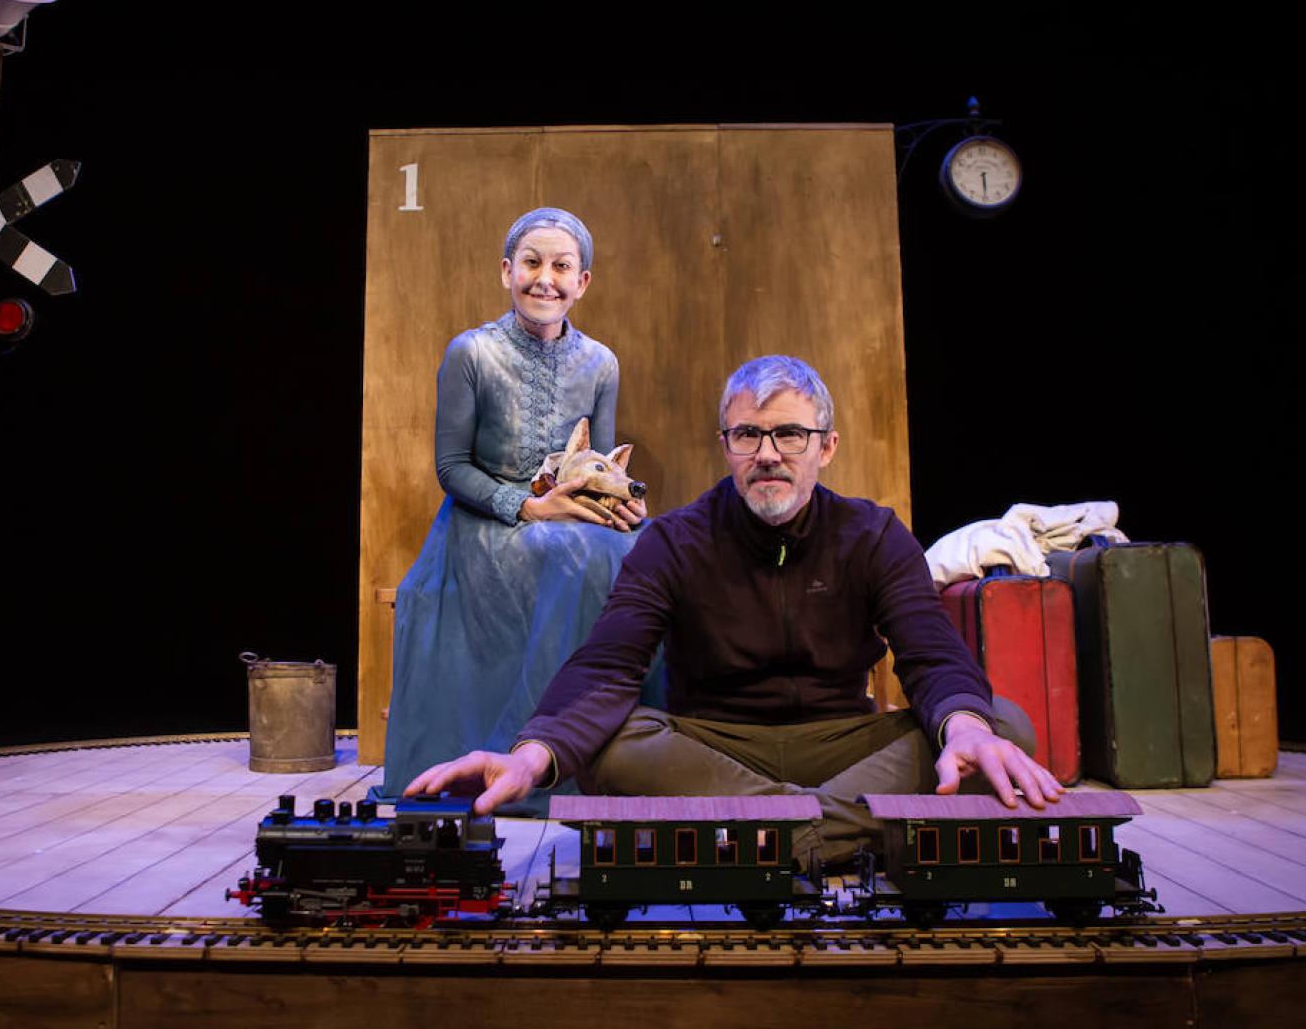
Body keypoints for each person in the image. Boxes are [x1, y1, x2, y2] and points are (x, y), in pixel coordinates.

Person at [406, 355, 1062, 865]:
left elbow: (932, 655)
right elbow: (608, 666)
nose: (768, 453)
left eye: (790, 434)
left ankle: (762, 834)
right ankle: (851, 831)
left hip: (841, 743)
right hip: (712, 747)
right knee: (609, 750)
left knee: (1000, 727)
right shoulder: (673, 541)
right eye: (748, 434)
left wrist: (966, 729)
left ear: (826, 447)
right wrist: (530, 757)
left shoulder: (874, 535)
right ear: (727, 444)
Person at [382, 208, 650, 815]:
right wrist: (529, 506)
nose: (545, 279)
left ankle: (602, 754)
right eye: (531, 263)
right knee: (566, 550)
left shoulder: (601, 363)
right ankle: (519, 758)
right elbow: (451, 468)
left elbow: (601, 466)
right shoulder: (471, 353)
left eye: (562, 266)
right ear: (507, 270)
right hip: (486, 522)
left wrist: (613, 508)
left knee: (642, 551)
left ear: (583, 282)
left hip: (569, 517)